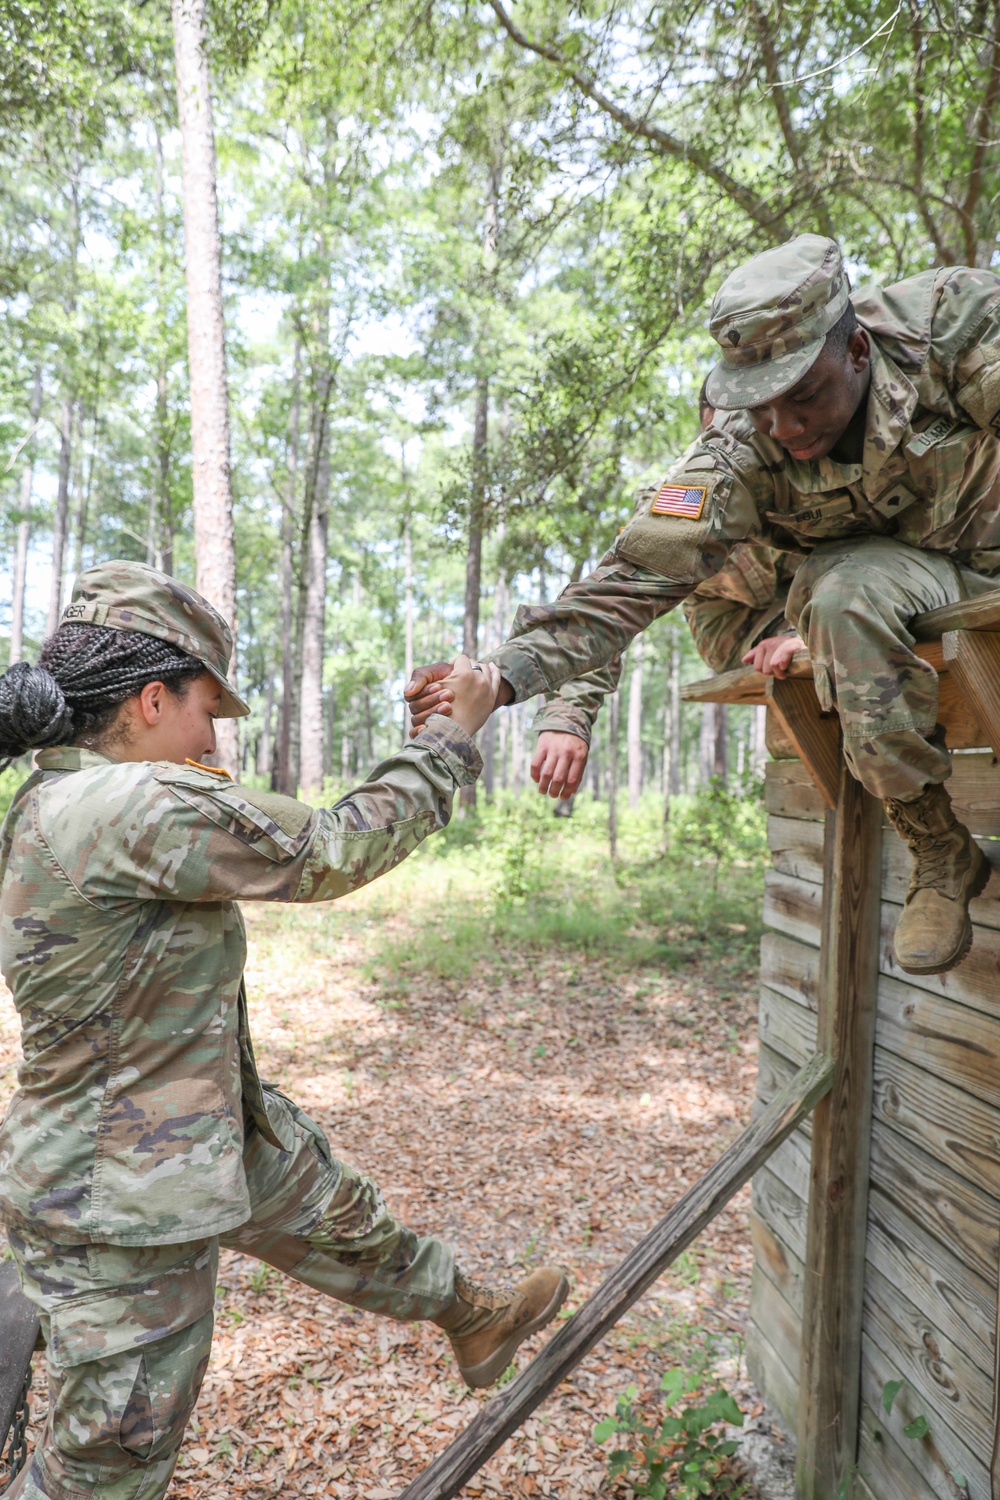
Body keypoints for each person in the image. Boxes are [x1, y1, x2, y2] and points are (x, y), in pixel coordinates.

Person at [0, 561, 568, 1500]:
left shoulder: (66, 798)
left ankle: (472, 1315)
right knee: (100, 1473)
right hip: (120, 1203)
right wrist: (447, 734)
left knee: (327, 1203)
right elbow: (334, 848)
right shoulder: (133, 803)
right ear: (150, 700)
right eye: (206, 712)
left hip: (177, 1130)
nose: (214, 737)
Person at [407, 234, 1000, 977]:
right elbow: (626, 583)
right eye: (757, 406)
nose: (782, 428)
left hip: (986, 567)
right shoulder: (733, 457)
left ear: (855, 352)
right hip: (880, 590)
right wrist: (501, 680)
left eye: (802, 396)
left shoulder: (952, 324)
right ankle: (940, 852)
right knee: (841, 590)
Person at [529, 387, 804, 801]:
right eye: (728, 423)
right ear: (708, 425)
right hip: (737, 627)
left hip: (813, 600)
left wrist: (810, 630)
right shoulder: (677, 494)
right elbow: (615, 600)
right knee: (795, 713)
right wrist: (568, 712)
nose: (744, 433)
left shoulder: (804, 449)